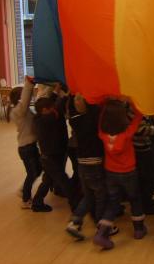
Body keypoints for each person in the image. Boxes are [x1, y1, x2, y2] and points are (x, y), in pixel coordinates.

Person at [93, 99, 147, 250]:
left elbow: (101, 119)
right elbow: (138, 116)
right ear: (122, 118)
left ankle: (102, 233)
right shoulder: (126, 134)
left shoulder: (102, 134)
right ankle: (138, 230)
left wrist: (104, 106)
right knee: (135, 199)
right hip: (129, 172)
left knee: (112, 202)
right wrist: (133, 100)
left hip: (110, 172)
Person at [65, 94, 113, 240]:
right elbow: (97, 108)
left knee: (89, 196)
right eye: (77, 99)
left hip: (82, 164)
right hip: (94, 164)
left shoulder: (74, 120)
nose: (78, 101)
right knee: (100, 195)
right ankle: (101, 226)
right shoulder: (93, 118)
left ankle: (75, 222)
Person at [31, 86, 81, 220]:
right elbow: (57, 108)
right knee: (64, 182)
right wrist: (65, 96)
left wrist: (56, 91)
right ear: (44, 111)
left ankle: (36, 202)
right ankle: (76, 209)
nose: (54, 110)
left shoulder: (43, 117)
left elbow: (55, 106)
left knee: (48, 180)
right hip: (51, 158)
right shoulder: (44, 121)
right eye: (50, 109)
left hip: (51, 157)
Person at [7, 76, 41, 209]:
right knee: (33, 173)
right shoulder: (18, 111)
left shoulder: (22, 111)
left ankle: (23, 191)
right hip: (27, 148)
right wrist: (29, 84)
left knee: (37, 171)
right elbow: (26, 100)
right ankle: (25, 199)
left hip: (28, 147)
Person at [133, 116, 154, 214]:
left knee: (148, 178)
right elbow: (140, 130)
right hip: (140, 150)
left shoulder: (140, 110)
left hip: (143, 148)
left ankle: (146, 201)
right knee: (147, 178)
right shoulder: (133, 112)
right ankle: (145, 205)